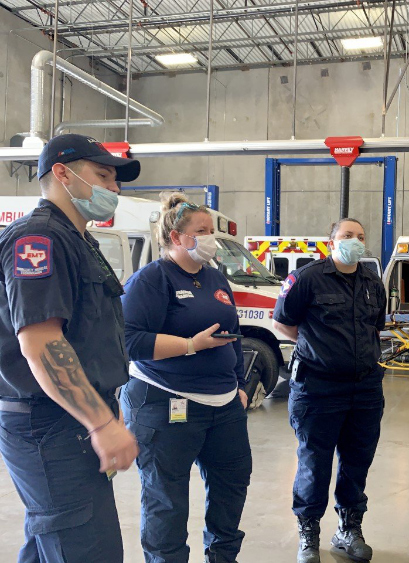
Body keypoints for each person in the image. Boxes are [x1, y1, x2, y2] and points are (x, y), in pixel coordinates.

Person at [0, 133, 141, 562]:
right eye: (102, 175)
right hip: (48, 426)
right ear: (61, 173)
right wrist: (100, 423)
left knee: (51, 544)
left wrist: (104, 402)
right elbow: (41, 341)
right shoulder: (38, 239)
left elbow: (89, 336)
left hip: (69, 419)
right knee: (86, 549)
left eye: (115, 180)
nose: (113, 189)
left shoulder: (79, 241)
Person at [120, 192, 252, 563]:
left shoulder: (214, 279)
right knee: (167, 500)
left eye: (212, 230)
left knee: (232, 485)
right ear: (177, 237)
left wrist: (239, 387)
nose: (211, 238)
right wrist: (190, 345)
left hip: (224, 404)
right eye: (202, 231)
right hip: (166, 401)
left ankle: (223, 557)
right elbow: (129, 340)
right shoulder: (151, 280)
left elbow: (233, 333)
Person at [272, 218, 386, 563]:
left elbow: (375, 328)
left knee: (357, 462)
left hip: (365, 387)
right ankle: (309, 532)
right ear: (331, 241)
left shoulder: (372, 282)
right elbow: (282, 322)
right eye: (348, 236)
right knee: (314, 462)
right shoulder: (308, 278)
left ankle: (348, 529)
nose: (355, 241)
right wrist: (318, 349)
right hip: (318, 387)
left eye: (361, 237)